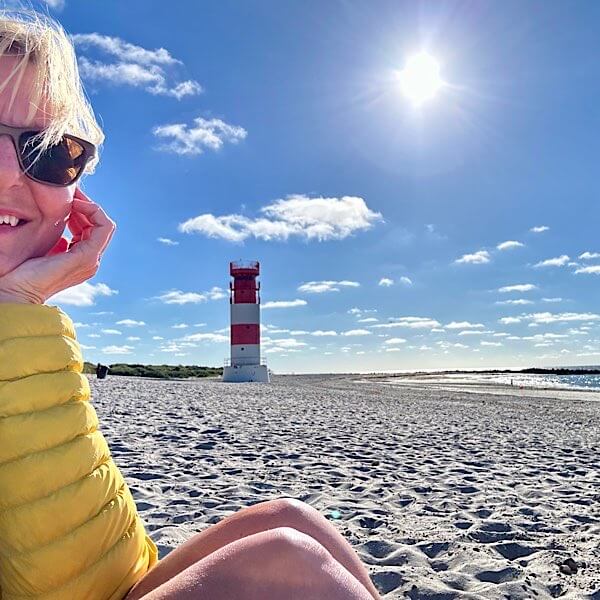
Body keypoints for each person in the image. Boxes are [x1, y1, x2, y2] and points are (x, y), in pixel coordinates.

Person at [0, 10, 381, 600]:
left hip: (116, 582)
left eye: (47, 150)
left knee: (293, 521)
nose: (7, 174)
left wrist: (19, 305)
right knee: (290, 561)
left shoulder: (29, 319)